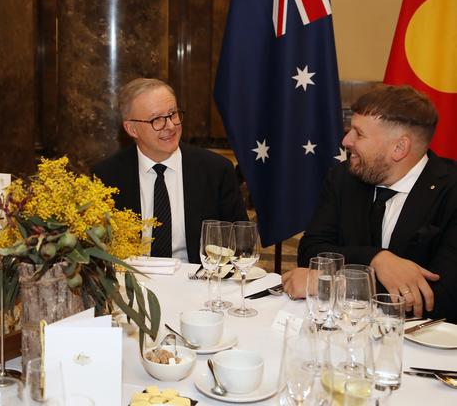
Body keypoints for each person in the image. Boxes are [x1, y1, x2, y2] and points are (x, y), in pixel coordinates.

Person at [283, 85, 457, 322]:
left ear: (399, 147)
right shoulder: (343, 178)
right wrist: (377, 259)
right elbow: (311, 252)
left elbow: (438, 298)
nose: (346, 140)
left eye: (359, 133)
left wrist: (331, 283)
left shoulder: (451, 192)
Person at [92, 77, 248, 263]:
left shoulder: (216, 170)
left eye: (173, 114)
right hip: (133, 282)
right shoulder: (107, 176)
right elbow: (97, 250)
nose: (171, 126)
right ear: (132, 129)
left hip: (197, 283)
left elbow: (240, 243)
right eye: (157, 119)